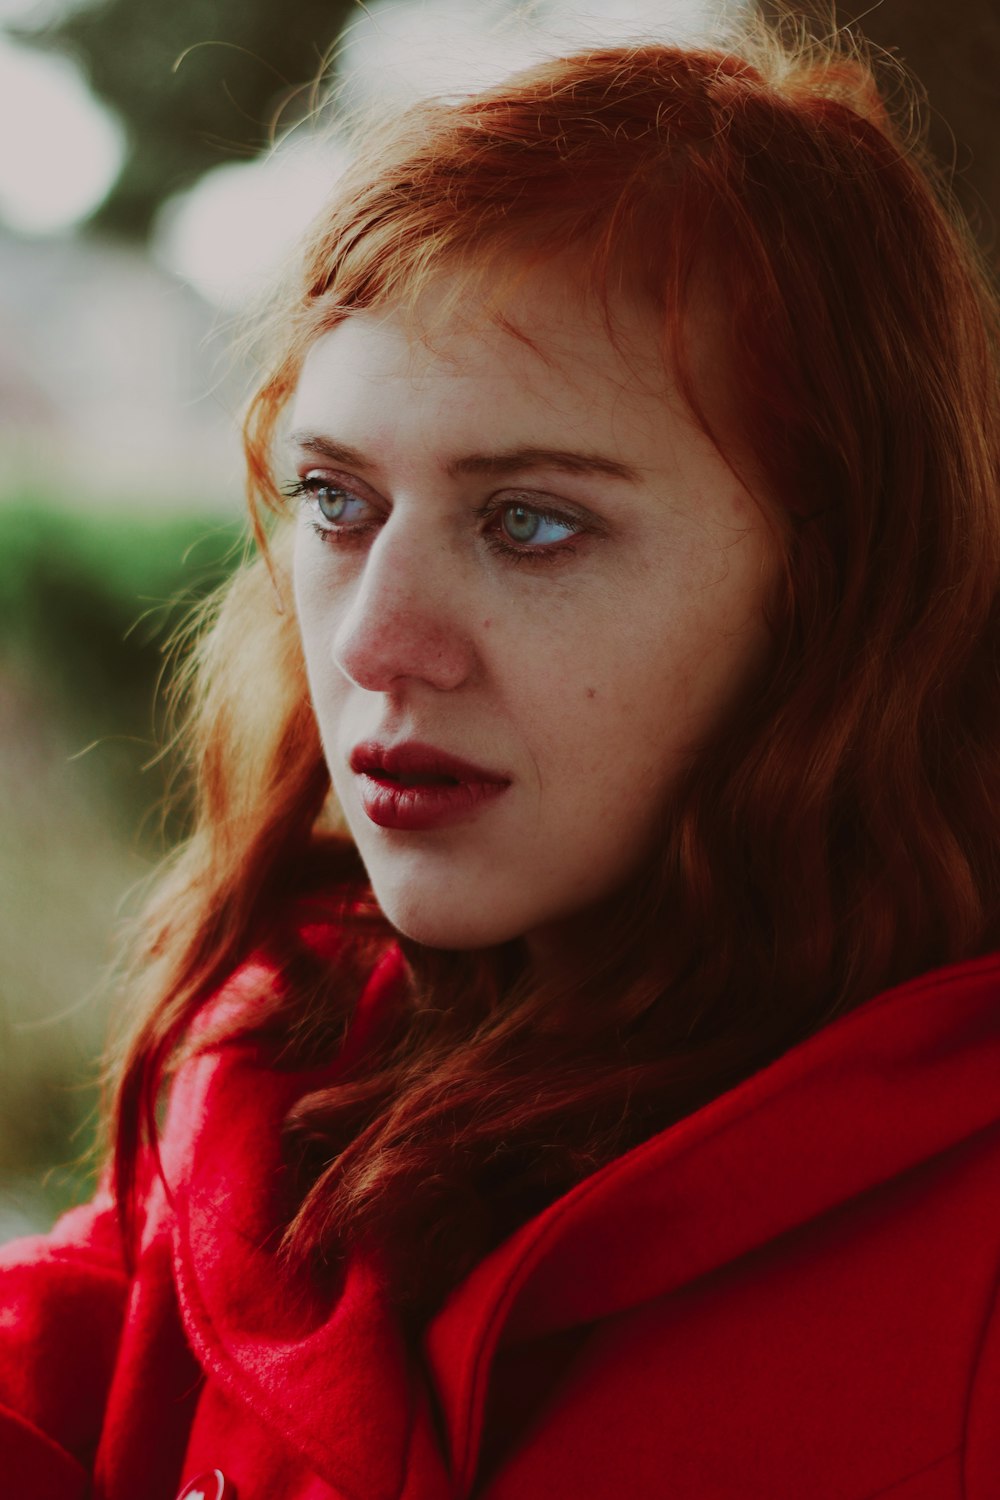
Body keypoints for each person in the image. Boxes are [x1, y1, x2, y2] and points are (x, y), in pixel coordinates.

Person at [3, 13, 1000, 1500]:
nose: (375, 641)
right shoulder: (277, 1078)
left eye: (532, 522)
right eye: (339, 503)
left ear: (832, 587)